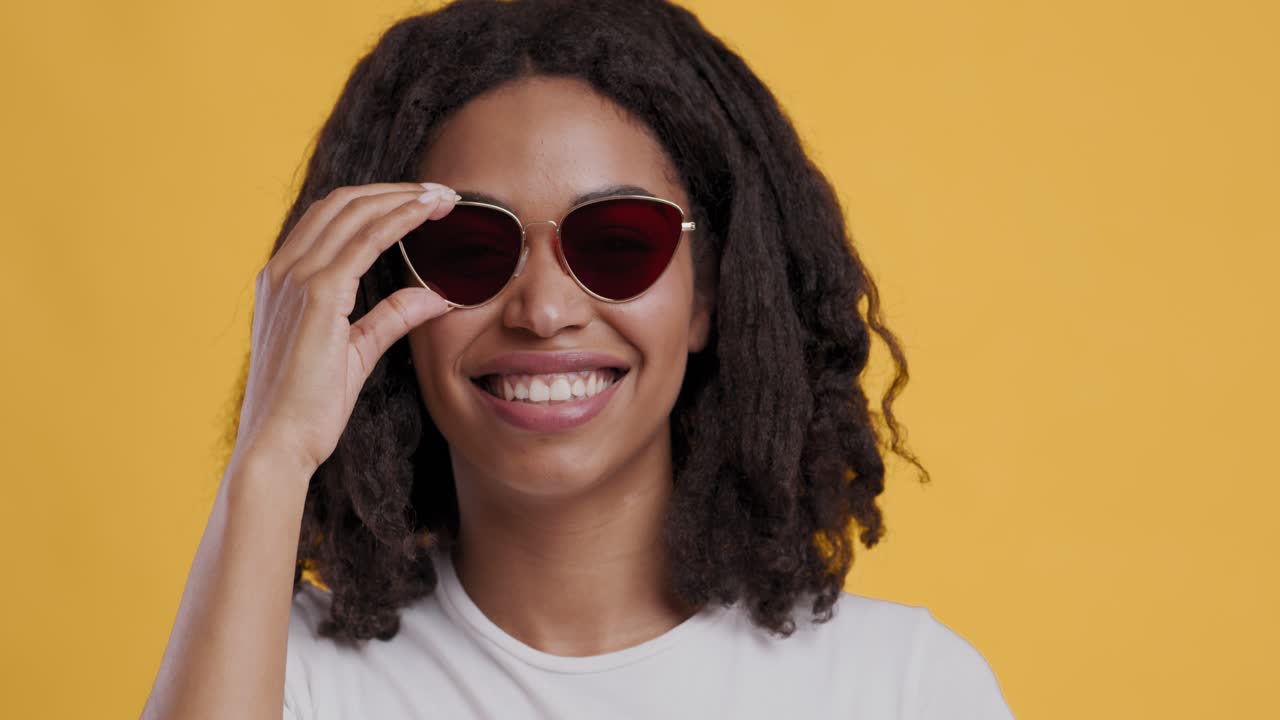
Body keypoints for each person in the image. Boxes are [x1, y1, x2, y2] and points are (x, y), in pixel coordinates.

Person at [142, 0, 1014, 717]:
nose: (545, 309)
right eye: (472, 249)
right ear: (385, 295)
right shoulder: (278, 680)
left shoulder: (900, 690)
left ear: (709, 294)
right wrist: (270, 459)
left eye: (618, 242)